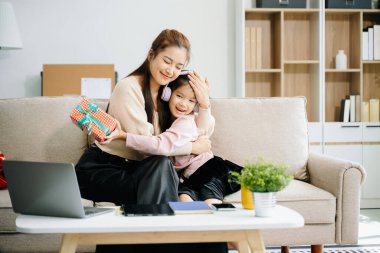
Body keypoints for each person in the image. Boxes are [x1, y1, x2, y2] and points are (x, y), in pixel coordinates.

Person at [75, 29, 228, 253]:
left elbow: (201, 131)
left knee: (204, 221)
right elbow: (149, 147)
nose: (171, 70)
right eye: (167, 61)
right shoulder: (129, 88)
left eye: (178, 66)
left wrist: (204, 104)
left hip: (141, 172)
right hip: (104, 169)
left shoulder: (169, 95)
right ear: (151, 55)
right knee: (161, 165)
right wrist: (192, 147)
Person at [102, 73, 242, 205]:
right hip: (189, 176)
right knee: (184, 197)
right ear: (167, 94)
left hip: (208, 169)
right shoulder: (162, 119)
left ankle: (219, 228)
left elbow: (161, 145)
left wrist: (123, 136)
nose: (183, 104)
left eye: (191, 101)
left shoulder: (187, 122)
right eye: (179, 96)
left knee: (209, 197)